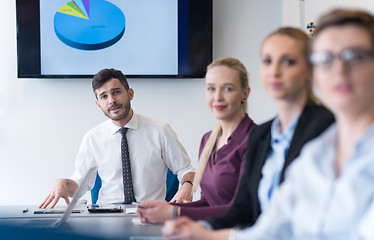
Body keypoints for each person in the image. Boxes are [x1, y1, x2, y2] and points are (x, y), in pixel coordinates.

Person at [163, 8, 374, 240]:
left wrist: (193, 223)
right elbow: (271, 225)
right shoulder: (316, 154)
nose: (339, 70)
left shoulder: (317, 132)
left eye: (355, 56)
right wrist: (202, 230)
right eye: (325, 59)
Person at [39, 68, 195, 208]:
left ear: (130, 94)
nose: (111, 100)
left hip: (150, 213)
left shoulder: (160, 130)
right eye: (104, 96)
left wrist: (187, 186)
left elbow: (186, 169)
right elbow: (79, 185)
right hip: (106, 217)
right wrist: (63, 183)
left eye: (116, 92)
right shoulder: (93, 138)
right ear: (98, 104)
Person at [136, 57, 257, 223]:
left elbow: (243, 210)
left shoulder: (256, 139)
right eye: (211, 89)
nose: (217, 97)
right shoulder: (208, 140)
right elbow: (209, 202)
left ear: (245, 93)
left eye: (227, 89)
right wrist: (169, 208)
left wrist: (174, 214)